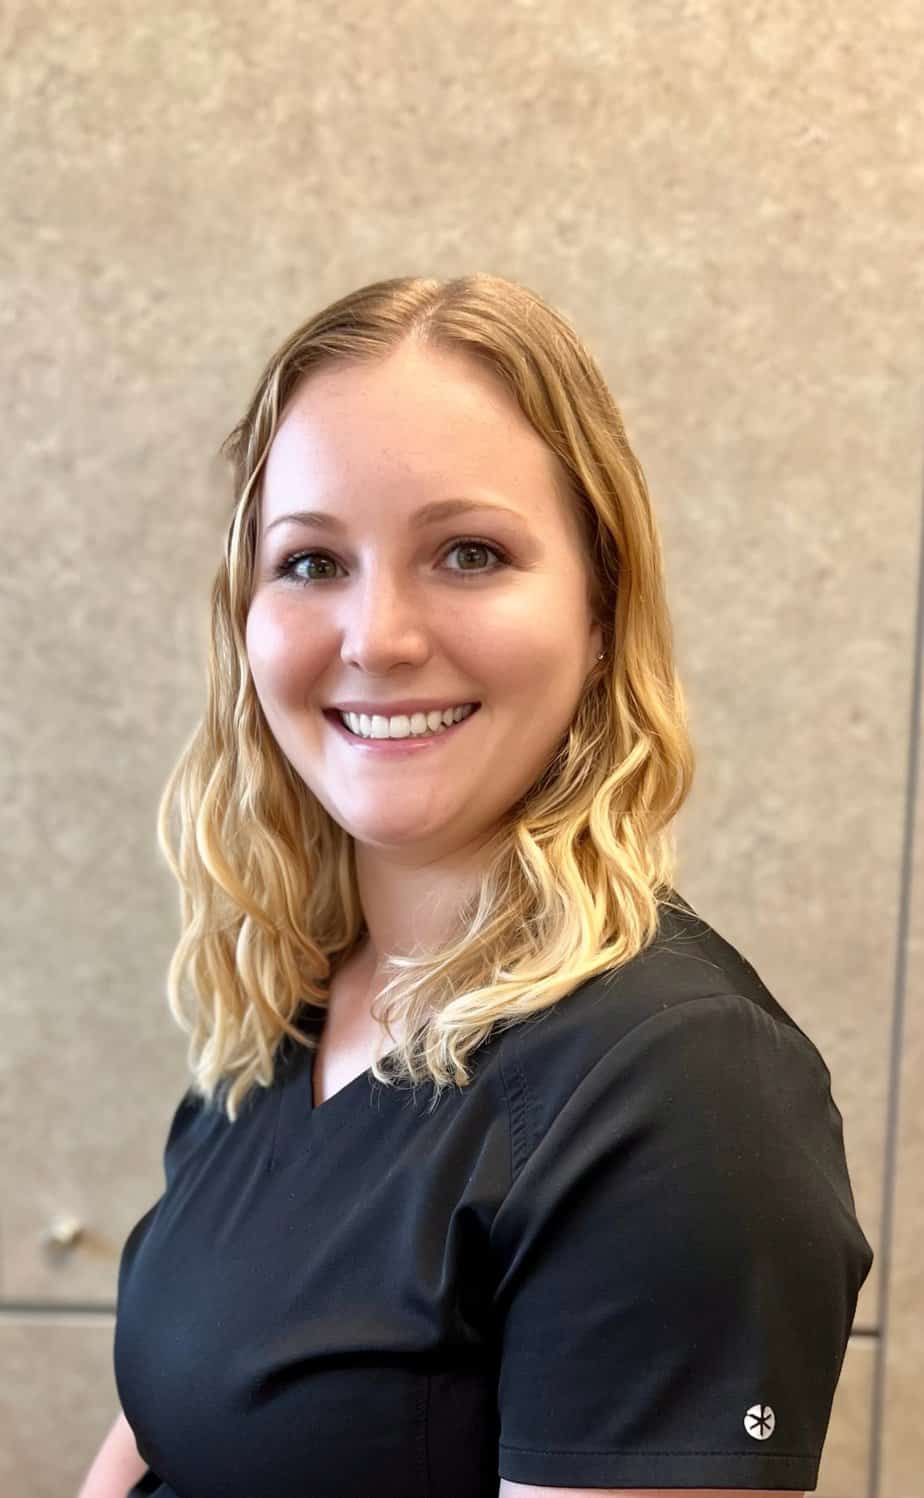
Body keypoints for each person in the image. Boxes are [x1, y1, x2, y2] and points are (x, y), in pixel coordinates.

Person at [80, 273, 873, 1498]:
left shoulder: (676, 1091)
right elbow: (162, 1434)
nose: (379, 636)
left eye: (468, 551)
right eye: (311, 562)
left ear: (602, 606)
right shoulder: (283, 1012)